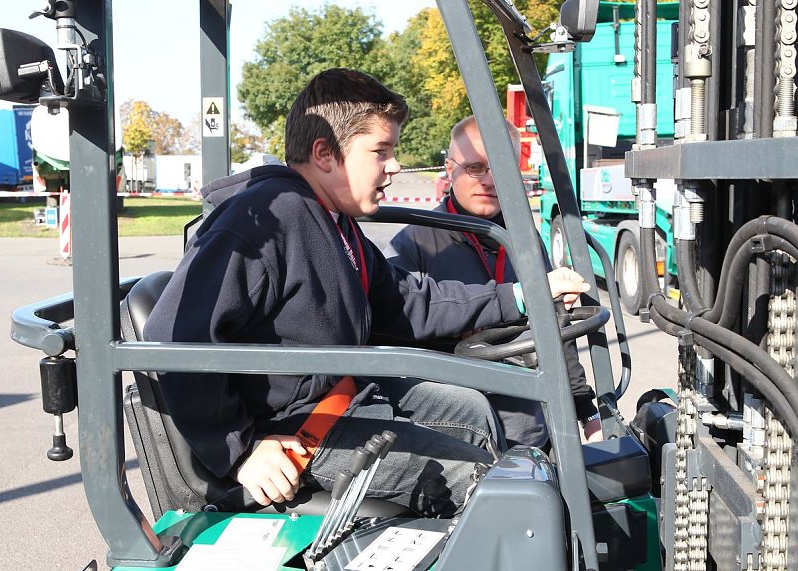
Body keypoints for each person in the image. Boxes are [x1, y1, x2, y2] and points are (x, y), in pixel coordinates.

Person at [144, 69, 589, 517]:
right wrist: (240, 451)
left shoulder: (338, 225)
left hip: (343, 397)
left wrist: (519, 296)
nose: (394, 166)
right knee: (480, 486)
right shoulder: (267, 218)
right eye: (381, 151)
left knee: (474, 412)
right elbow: (172, 331)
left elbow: (410, 303)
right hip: (295, 430)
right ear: (325, 154)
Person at [385, 115, 602, 447]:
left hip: (532, 428)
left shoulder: (525, 240)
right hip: (456, 435)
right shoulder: (414, 244)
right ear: (449, 167)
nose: (488, 181)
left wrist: (586, 410)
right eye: (475, 168)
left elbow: (557, 328)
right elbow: (402, 338)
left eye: (500, 168)